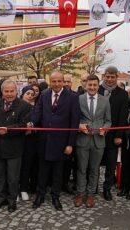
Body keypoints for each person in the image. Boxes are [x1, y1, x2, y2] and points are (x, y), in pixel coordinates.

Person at [31, 71, 80, 211]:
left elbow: (74, 122)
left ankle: (55, 196)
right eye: (54, 81)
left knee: (58, 172)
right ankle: (40, 195)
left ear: (63, 81)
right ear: (50, 81)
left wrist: (70, 143)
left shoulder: (72, 97)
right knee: (42, 171)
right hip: (44, 141)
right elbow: (37, 113)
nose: (57, 84)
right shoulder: (44, 94)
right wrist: (32, 123)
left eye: (59, 81)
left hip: (61, 142)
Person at [0, 80, 30, 212]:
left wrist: (8, 129)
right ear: (2, 92)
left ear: (16, 91)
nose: (9, 94)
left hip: (14, 147)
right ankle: (2, 197)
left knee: (12, 177)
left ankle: (12, 200)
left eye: (11, 91)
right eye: (6, 91)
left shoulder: (24, 106)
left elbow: (23, 125)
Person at [75, 75, 111, 208]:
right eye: (90, 85)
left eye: (95, 85)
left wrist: (105, 129)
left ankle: (90, 195)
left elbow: (108, 120)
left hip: (98, 140)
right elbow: (74, 118)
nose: (92, 87)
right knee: (81, 169)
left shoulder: (105, 101)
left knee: (94, 170)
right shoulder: (78, 99)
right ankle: (80, 193)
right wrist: (79, 125)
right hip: (83, 140)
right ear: (85, 85)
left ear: (98, 85)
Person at [98, 66, 128, 201]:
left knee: (110, 164)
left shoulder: (122, 94)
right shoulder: (96, 90)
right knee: (95, 163)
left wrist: (119, 135)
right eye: (107, 77)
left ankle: (107, 188)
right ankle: (92, 187)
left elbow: (122, 116)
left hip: (113, 135)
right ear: (104, 76)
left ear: (116, 78)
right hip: (96, 134)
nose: (110, 79)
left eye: (112, 77)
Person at [20, 86, 38, 201]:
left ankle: (25, 188)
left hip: (31, 141)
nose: (30, 96)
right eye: (28, 93)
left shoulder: (35, 108)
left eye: (32, 94)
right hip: (17, 141)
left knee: (28, 165)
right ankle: (17, 189)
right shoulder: (17, 106)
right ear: (22, 94)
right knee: (17, 167)